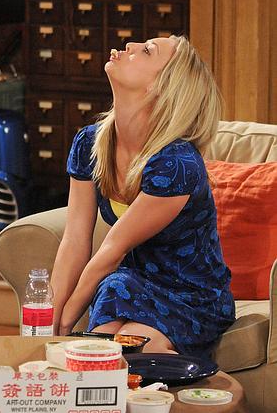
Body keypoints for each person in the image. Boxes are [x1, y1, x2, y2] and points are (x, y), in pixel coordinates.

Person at [51, 35, 235, 355]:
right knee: (95, 355)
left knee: (130, 351)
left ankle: (193, 384)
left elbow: (113, 249)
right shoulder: (89, 143)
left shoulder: (176, 164)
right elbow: (75, 239)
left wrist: (65, 325)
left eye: (147, 51)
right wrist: (47, 322)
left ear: (161, 87)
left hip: (190, 298)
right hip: (126, 285)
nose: (130, 46)